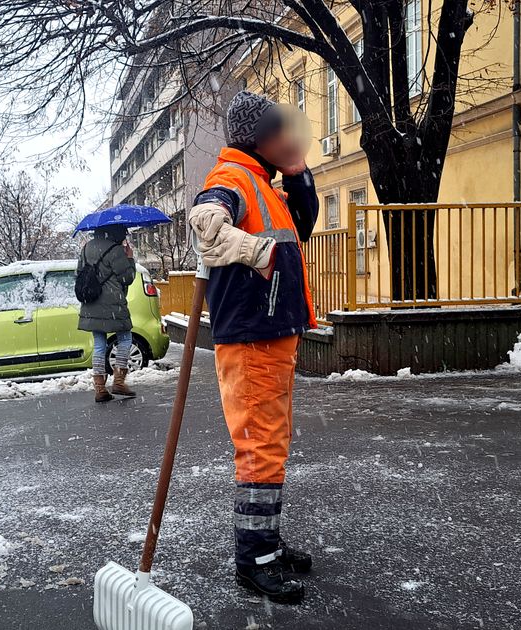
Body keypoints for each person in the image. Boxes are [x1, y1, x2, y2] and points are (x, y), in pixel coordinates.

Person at [187, 90, 319, 604]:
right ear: (258, 137)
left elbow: (302, 223)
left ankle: (266, 541)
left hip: (272, 338)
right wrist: (252, 249)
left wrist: (298, 169)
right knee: (260, 449)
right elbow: (207, 220)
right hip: (253, 339)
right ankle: (254, 559)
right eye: (279, 130)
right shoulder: (232, 179)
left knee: (273, 444)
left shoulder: (265, 184)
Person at [77, 224, 138, 401]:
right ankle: (118, 382)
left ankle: (100, 389)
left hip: (91, 302)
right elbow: (127, 278)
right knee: (125, 338)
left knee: (99, 343)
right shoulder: (115, 249)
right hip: (113, 304)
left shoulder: (87, 248)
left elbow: (80, 273)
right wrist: (130, 259)